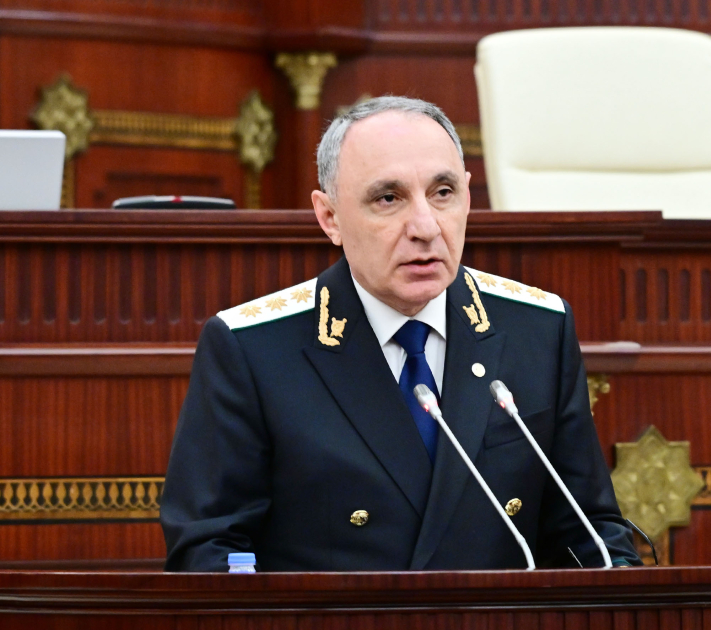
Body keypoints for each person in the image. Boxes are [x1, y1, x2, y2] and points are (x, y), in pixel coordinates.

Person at [160, 96, 641, 571]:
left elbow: (588, 532)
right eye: (388, 199)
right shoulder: (252, 347)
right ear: (330, 218)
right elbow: (208, 552)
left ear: (468, 196)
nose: (426, 227)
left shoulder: (538, 328)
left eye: (443, 192)